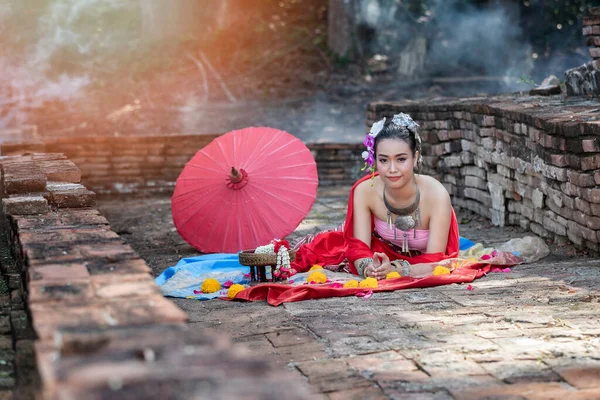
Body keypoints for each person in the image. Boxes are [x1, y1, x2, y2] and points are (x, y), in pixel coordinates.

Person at [291, 113, 460, 278]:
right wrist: (368, 267)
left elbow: (436, 261)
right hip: (379, 251)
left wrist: (397, 270)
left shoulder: (436, 195)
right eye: (384, 160)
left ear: (415, 158)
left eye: (401, 159)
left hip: (415, 263)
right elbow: (359, 248)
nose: (392, 169)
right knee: (322, 247)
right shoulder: (365, 190)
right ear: (374, 159)